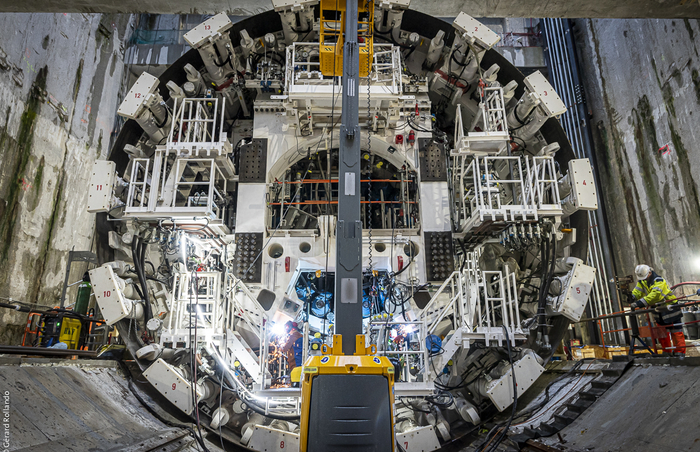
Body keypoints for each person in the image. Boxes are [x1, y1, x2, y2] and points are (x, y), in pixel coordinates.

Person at [630, 264, 686, 356]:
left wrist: (639, 303)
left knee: (676, 332)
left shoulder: (659, 281)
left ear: (649, 273)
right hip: (659, 311)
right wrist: (633, 296)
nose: (643, 279)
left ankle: (679, 354)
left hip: (670, 309)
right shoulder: (642, 281)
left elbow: (656, 296)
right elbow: (638, 291)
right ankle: (666, 352)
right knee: (662, 333)